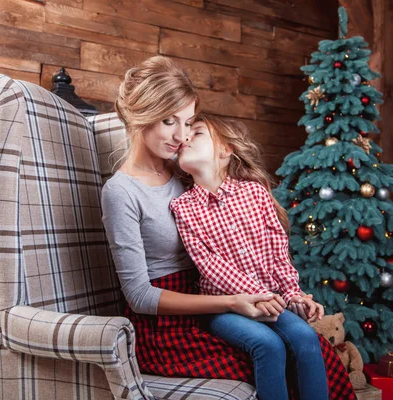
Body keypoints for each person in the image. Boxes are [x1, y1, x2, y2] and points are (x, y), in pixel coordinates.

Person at [100, 55, 356, 400]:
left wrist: (286, 294)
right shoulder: (121, 192)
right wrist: (234, 301)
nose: (181, 136)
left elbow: (254, 238)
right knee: (272, 351)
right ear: (140, 115)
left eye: (189, 124)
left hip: (224, 301)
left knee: (310, 348)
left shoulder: (183, 175)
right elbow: (140, 296)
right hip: (169, 327)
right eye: (168, 120)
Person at [170, 114, 327, 400]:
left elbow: (278, 250)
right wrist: (259, 294)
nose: (186, 138)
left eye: (198, 133)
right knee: (268, 344)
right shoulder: (183, 207)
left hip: (270, 298)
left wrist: (294, 296)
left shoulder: (255, 193)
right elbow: (209, 265)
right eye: (185, 136)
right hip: (222, 309)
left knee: (305, 336)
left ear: (226, 150)